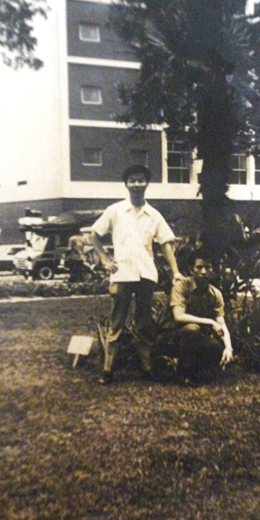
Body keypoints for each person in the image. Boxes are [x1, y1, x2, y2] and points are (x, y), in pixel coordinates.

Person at [91, 165, 182, 384]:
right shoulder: (115, 210)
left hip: (145, 274)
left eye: (141, 180)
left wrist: (176, 272)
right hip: (122, 274)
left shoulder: (154, 214)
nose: (137, 184)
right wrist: (104, 259)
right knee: (117, 322)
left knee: (143, 323)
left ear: (146, 183)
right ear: (126, 184)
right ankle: (107, 370)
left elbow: (166, 244)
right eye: (132, 180)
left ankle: (146, 368)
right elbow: (95, 234)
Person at [170, 248, 234, 385]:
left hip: (197, 337)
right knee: (192, 328)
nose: (204, 272)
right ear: (191, 269)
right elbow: (178, 316)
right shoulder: (182, 286)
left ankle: (197, 371)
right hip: (173, 336)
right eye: (199, 267)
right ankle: (182, 373)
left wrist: (228, 347)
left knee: (217, 347)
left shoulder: (215, 294)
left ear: (212, 270)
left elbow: (222, 324)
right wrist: (209, 322)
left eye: (208, 267)